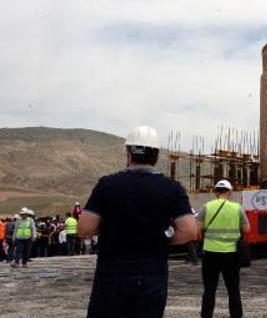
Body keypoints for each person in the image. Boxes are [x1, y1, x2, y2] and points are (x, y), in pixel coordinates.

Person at [78, 125, 197, 318]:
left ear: (128, 153)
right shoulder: (172, 188)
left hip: (112, 273)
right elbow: (190, 231)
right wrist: (162, 239)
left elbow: (85, 229)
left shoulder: (107, 185)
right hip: (152, 273)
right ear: (156, 155)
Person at [196, 179, 249, 318]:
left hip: (210, 254)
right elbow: (247, 229)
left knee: (209, 289)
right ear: (230, 192)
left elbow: (197, 229)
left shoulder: (206, 207)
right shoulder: (237, 208)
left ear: (215, 192)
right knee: (233, 290)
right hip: (231, 255)